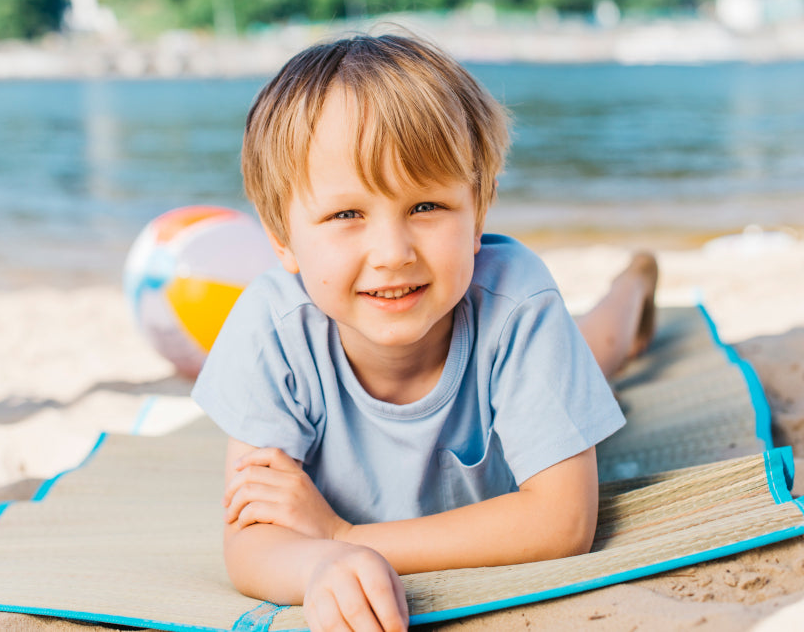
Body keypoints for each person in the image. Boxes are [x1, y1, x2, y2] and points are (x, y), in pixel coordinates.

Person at [191, 31, 657, 632]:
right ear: (282, 236)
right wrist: (318, 566)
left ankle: (631, 289)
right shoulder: (274, 330)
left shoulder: (516, 303)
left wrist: (347, 535)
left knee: (605, 346)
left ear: (480, 207)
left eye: (426, 207)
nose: (391, 253)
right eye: (346, 215)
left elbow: (563, 522)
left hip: (536, 344)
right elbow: (252, 539)